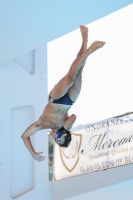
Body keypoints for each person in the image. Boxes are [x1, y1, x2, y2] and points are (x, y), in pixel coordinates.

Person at [21, 25, 105, 162]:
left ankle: (89, 48)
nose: (58, 138)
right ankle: (85, 40)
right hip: (69, 101)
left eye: (57, 140)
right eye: (62, 139)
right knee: (79, 71)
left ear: (54, 139)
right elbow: (73, 116)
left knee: (71, 76)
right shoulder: (65, 127)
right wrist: (62, 131)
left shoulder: (42, 125)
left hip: (55, 98)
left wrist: (32, 153)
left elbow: (25, 136)